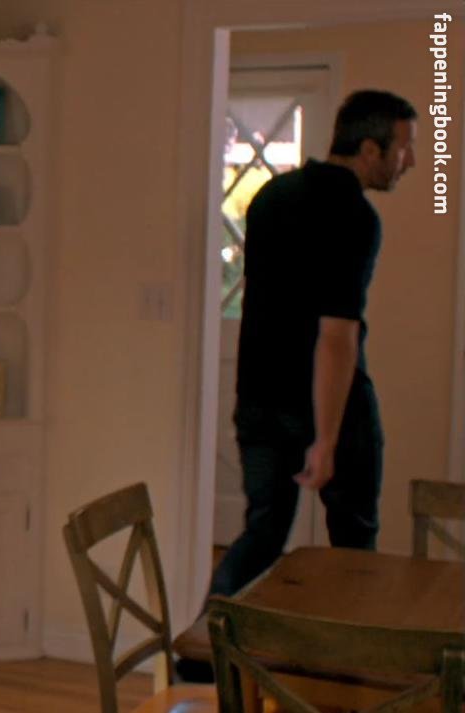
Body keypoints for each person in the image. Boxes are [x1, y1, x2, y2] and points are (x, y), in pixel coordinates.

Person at [177, 89, 416, 682]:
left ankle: (205, 654)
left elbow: (271, 311)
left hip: (260, 401)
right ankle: (345, 674)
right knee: (353, 547)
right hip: (333, 408)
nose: (409, 161)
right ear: (369, 149)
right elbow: (335, 338)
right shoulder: (356, 217)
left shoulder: (271, 196)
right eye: (403, 148)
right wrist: (326, 441)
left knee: (262, 531)